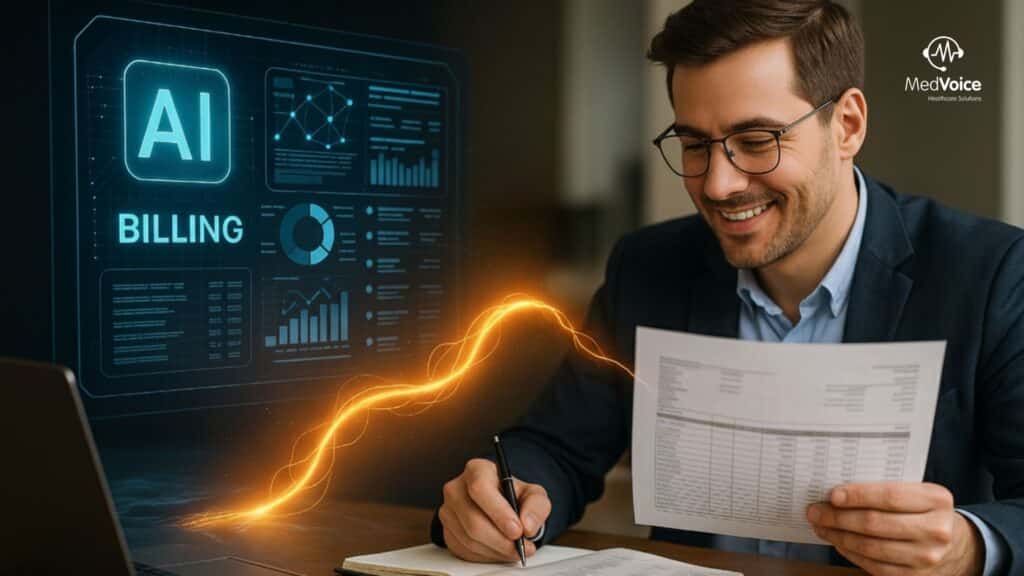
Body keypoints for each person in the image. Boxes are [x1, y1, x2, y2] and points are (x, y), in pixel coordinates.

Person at [430, 1, 1024, 574]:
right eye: (694, 145)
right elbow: (558, 449)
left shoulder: (991, 273)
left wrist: (969, 547)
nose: (718, 184)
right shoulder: (648, 267)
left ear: (847, 126)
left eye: (758, 142)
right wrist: (500, 498)